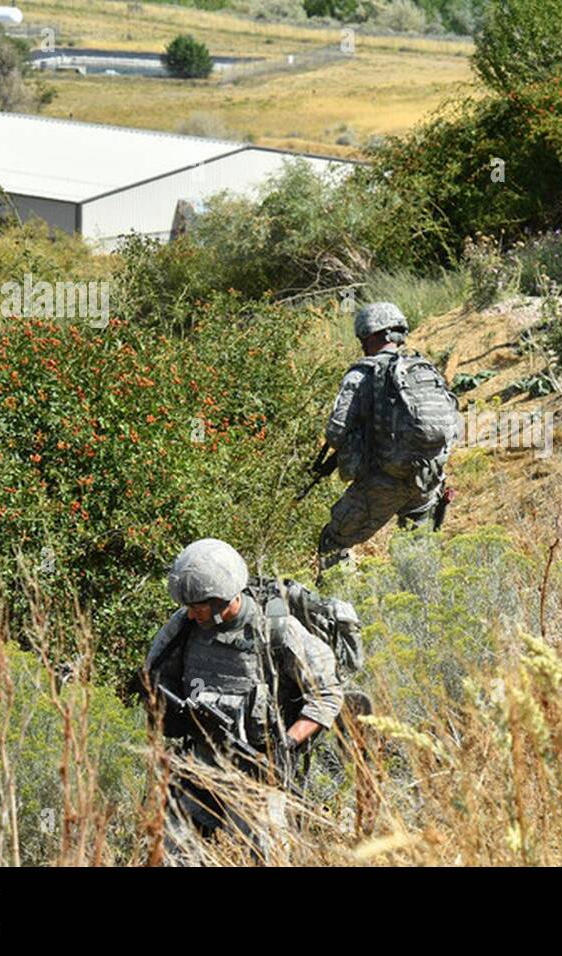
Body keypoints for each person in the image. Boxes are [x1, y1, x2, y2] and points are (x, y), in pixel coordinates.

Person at [144, 538, 344, 858]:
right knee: (171, 853)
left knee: (266, 853)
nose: (193, 615)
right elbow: (153, 678)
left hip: (258, 772)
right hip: (201, 765)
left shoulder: (276, 630)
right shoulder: (183, 627)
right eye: (189, 607)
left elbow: (327, 696)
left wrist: (286, 746)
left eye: (200, 608)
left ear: (226, 599)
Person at [316, 302, 460, 579]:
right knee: (417, 550)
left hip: (382, 483)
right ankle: (422, 604)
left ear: (370, 335)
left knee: (333, 542)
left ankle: (342, 613)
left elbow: (335, 433)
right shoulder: (423, 368)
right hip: (427, 480)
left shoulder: (361, 374)